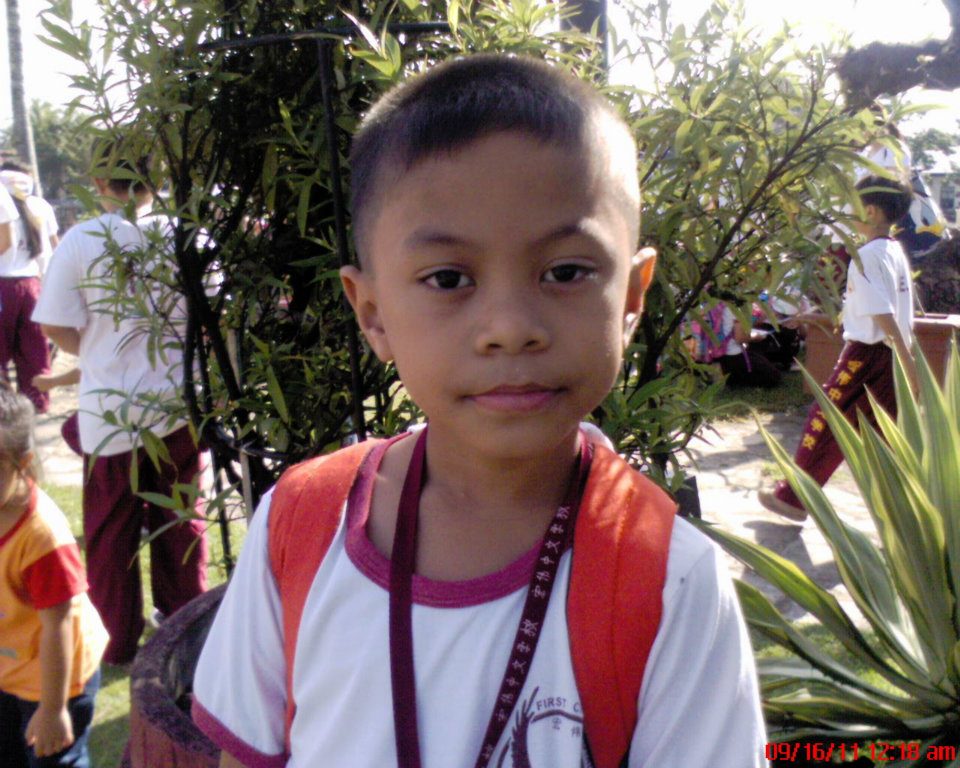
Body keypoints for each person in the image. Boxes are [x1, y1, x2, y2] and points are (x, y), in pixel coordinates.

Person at [192, 55, 766, 767]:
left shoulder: (666, 579)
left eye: (565, 272)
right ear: (372, 313)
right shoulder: (301, 522)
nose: (509, 328)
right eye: (448, 278)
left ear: (631, 295)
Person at [31, 141, 208, 665]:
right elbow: (213, 313)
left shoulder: (83, 240)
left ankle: (116, 639)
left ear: (99, 182)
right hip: (178, 401)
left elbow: (55, 323)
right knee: (181, 520)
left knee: (111, 532)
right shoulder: (186, 233)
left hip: (111, 408)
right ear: (156, 179)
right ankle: (186, 625)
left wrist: (97, 350)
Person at [759, 175, 917, 521]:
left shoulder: (867, 255)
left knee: (826, 419)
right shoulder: (893, 251)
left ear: (871, 211)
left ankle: (794, 499)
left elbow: (882, 312)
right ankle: (904, 514)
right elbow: (879, 307)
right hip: (889, 355)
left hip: (867, 355)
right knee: (885, 435)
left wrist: (906, 358)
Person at [0, 382, 108, 768]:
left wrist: (53, 708)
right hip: (10, 667)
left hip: (56, 678)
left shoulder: (42, 538)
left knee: (53, 759)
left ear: (23, 462)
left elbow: (57, 628)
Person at [0, 162, 58, 414]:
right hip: (33, 286)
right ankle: (36, 405)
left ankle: (4, 411)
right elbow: (52, 251)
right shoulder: (41, 206)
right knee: (35, 352)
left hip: (2, 286)